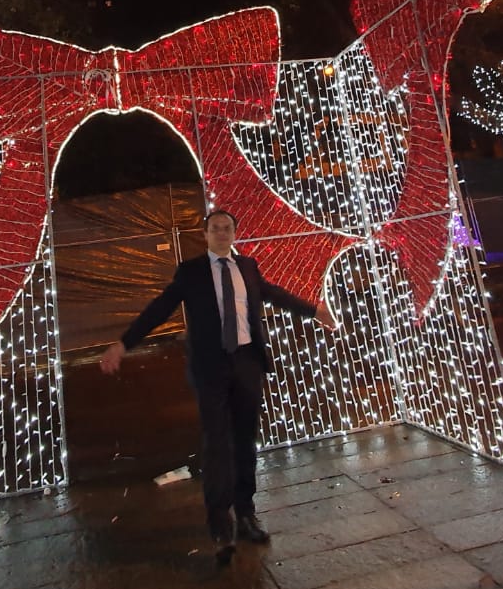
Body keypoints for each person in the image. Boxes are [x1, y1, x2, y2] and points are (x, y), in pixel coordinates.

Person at [100, 208, 336, 565]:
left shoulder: (247, 267)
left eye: (227, 228)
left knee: (245, 441)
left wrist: (313, 311)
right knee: (217, 444)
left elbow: (273, 294)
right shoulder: (191, 271)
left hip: (247, 363)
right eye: (215, 228)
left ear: (234, 233)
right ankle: (220, 524)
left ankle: (246, 513)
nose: (222, 233)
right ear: (206, 234)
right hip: (211, 368)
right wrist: (124, 343)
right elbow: (160, 308)